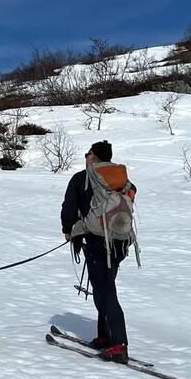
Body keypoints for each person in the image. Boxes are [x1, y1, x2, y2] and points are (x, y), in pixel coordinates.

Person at [61, 140, 136, 364]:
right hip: (120, 241)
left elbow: (69, 208)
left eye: (87, 153)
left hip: (96, 241)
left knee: (105, 290)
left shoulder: (83, 178)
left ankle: (118, 344)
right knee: (104, 285)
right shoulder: (121, 178)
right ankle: (105, 336)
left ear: (93, 156)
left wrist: (69, 231)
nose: (86, 157)